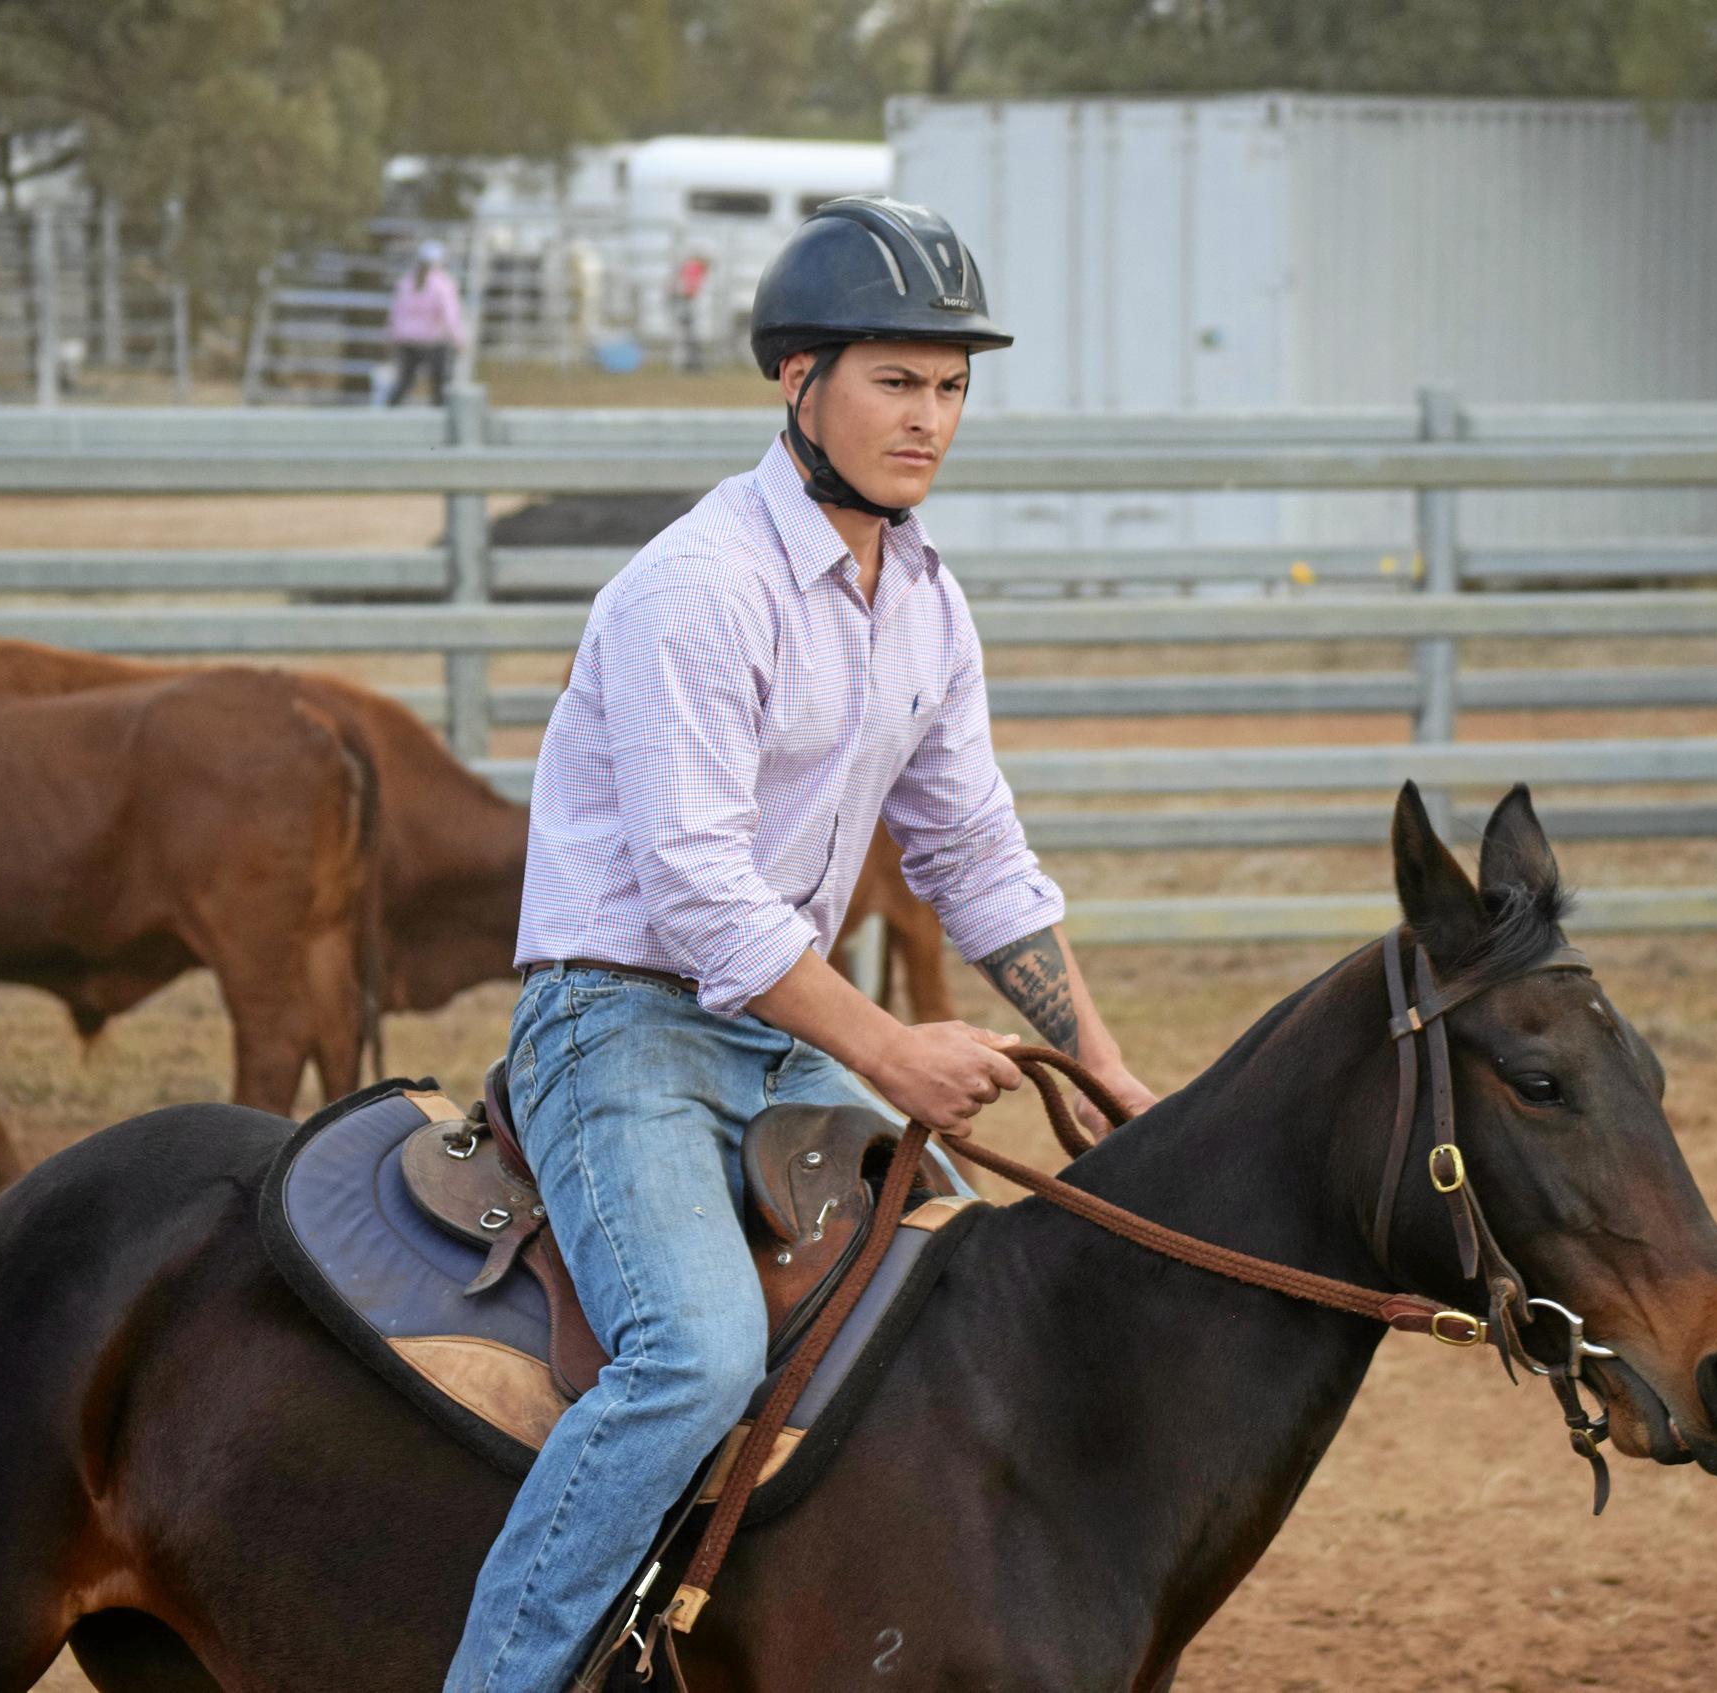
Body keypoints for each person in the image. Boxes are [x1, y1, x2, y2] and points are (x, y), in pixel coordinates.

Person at [442, 195, 1160, 1691]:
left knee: (966, 1299)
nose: (931, 419)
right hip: (617, 1024)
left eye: (952, 385)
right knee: (691, 1355)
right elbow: (698, 893)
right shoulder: (695, 592)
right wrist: (891, 1046)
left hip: (778, 1034)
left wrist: (1092, 1065)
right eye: (897, 379)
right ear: (799, 381)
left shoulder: (924, 604)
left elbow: (972, 849)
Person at [386, 238, 467, 406]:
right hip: (432, 340)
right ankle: (439, 416)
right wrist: (458, 338)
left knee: (405, 380)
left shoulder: (407, 282)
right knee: (439, 381)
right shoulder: (443, 284)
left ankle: (388, 413)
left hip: (406, 338)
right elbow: (450, 314)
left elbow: (396, 312)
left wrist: (391, 334)